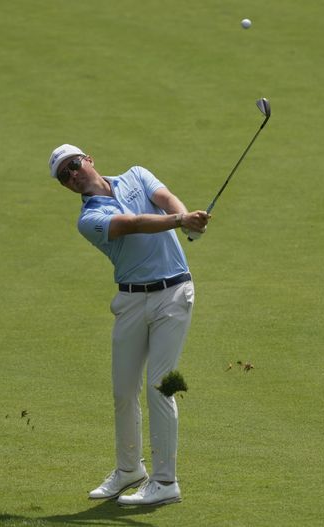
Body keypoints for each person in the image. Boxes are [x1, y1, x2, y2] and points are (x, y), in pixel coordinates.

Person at [48, 144, 210, 506]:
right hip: (131, 301)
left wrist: (188, 219)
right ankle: (129, 469)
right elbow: (132, 225)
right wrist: (182, 221)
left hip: (173, 293)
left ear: (89, 159)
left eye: (74, 165)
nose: (72, 175)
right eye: (64, 176)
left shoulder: (137, 174)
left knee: (159, 386)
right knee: (123, 390)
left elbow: (166, 198)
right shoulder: (89, 219)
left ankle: (165, 482)